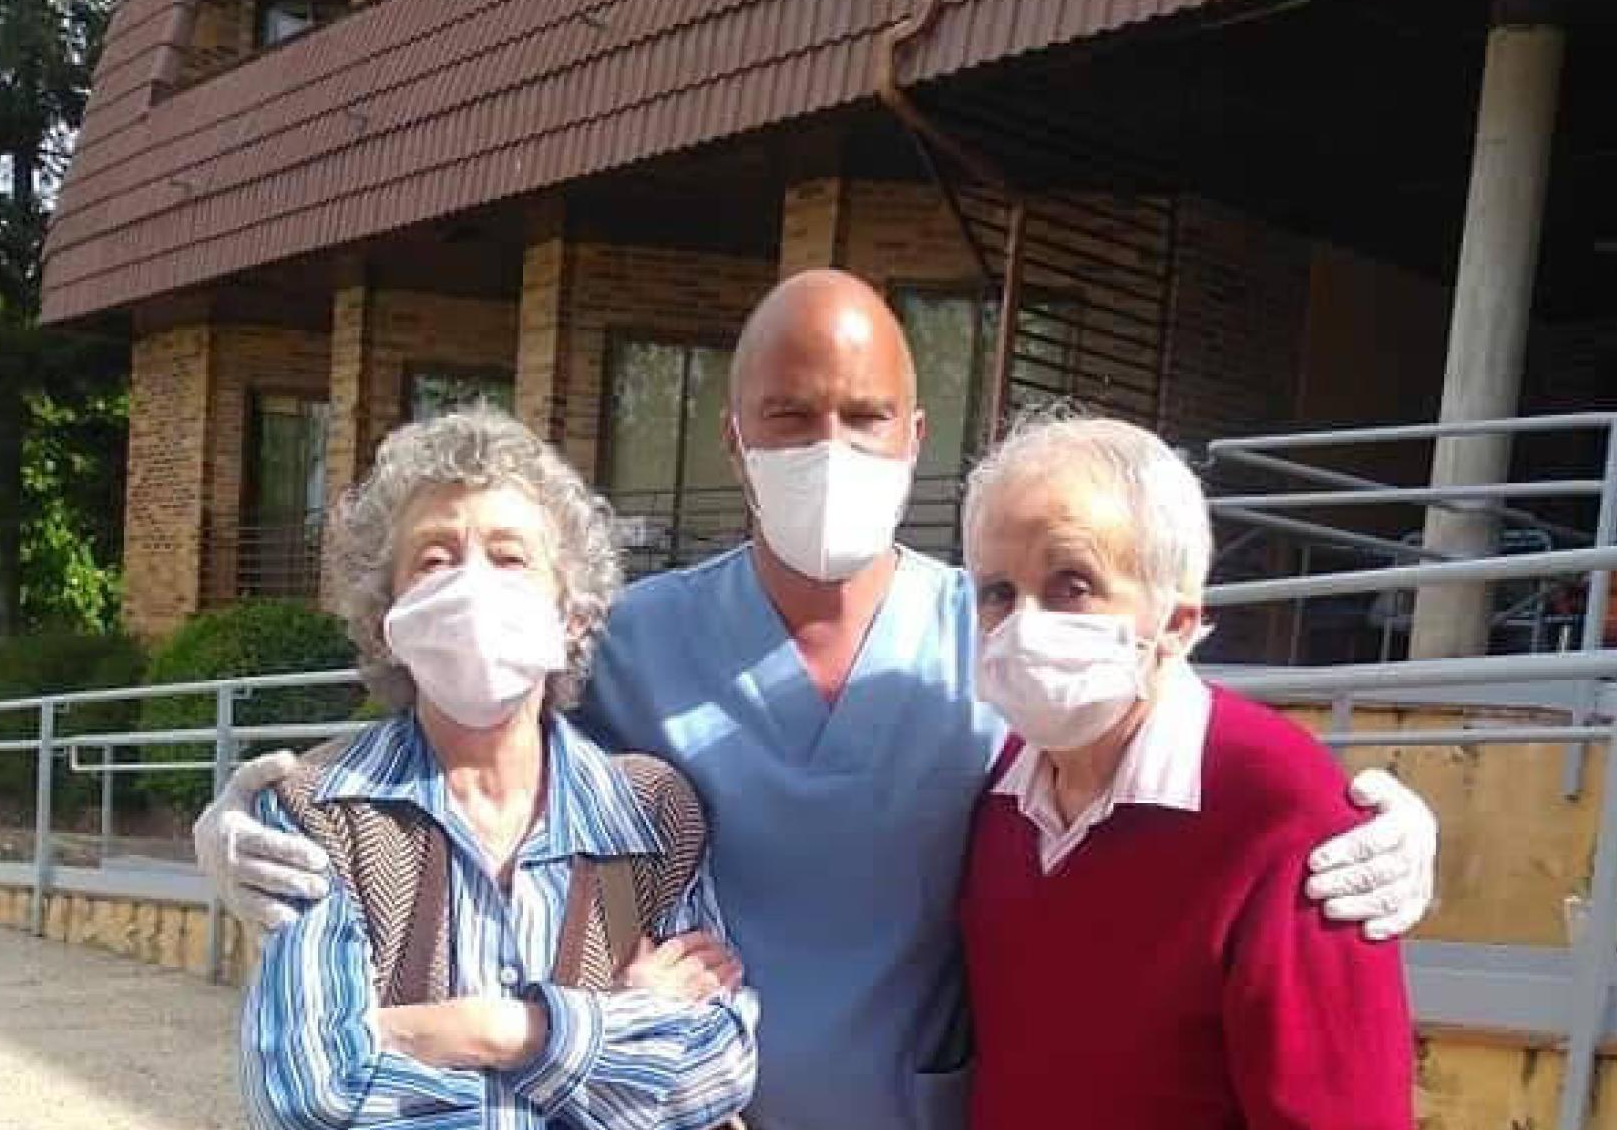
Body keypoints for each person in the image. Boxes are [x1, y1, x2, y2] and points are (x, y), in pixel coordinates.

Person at [199, 269, 1438, 1130]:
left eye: (862, 416)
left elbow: (1147, 696)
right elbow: (468, 733)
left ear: (914, 433)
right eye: (789, 416)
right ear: (736, 437)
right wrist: (252, 812)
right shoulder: (634, 641)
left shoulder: (997, 626)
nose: (827, 444)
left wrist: (1371, 820)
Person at [239, 409, 757, 1130]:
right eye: (434, 558)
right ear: (388, 615)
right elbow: (312, 1093)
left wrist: (498, 1029)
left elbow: (715, 1068)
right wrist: (612, 1030)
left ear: (572, 612)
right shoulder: (317, 809)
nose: (472, 583)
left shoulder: (650, 812)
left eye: (510, 557)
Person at [957, 414, 1413, 1129]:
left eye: (1071, 583)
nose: (1024, 624)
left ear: (1175, 620)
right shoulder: (1002, 797)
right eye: (997, 592)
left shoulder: (1287, 815)